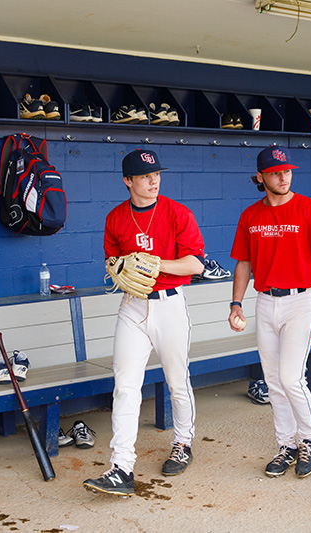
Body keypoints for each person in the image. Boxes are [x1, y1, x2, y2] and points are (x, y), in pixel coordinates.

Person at [83, 149, 205, 497]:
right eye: (145, 176)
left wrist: (156, 265)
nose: (154, 180)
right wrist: (120, 270)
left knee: (177, 382)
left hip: (169, 306)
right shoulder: (116, 217)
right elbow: (112, 262)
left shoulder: (177, 212)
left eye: (156, 175)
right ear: (128, 181)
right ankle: (121, 466)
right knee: (125, 386)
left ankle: (183, 443)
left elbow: (195, 264)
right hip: (133, 307)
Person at [228, 146, 311, 479]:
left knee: (291, 378)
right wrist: (236, 303)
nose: (283, 176)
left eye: (287, 171)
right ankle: (286, 445)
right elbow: (243, 263)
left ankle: (309, 439)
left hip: (301, 300)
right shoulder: (251, 216)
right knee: (274, 381)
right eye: (276, 172)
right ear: (261, 177)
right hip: (265, 301)